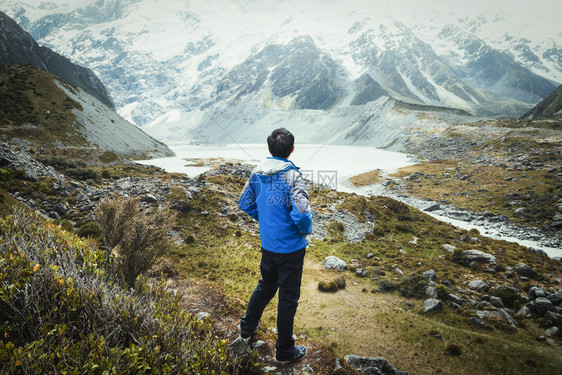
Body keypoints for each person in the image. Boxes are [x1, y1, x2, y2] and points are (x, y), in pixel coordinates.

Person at [238, 127, 312, 364]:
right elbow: (301, 215)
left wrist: (266, 220)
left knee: (266, 285)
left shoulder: (257, 172)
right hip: (291, 249)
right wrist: (304, 232)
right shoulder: (292, 176)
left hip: (268, 245)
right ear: (291, 150)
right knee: (288, 299)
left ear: (269, 148)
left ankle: (246, 329)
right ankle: (284, 352)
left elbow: (244, 202)